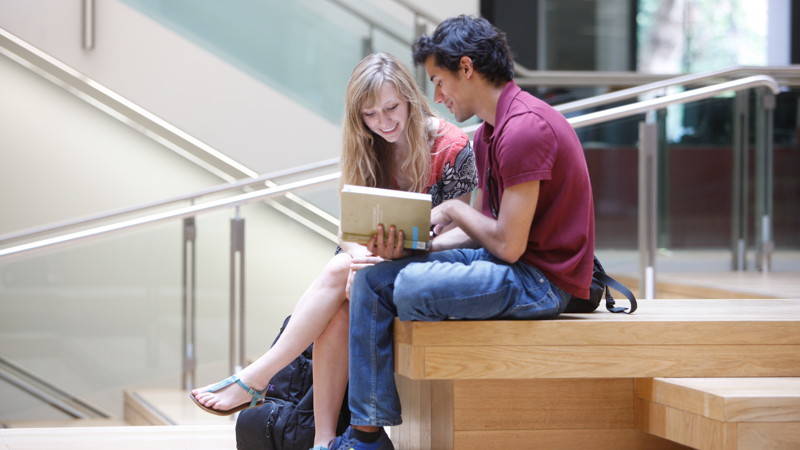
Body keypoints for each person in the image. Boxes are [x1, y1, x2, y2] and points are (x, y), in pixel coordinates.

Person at [328, 16, 595, 450]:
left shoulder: (524, 128)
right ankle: (367, 435)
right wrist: (417, 247)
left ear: (466, 68)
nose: (435, 96)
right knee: (376, 280)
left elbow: (507, 245)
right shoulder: (492, 131)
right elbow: (483, 235)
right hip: (510, 264)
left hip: (543, 282)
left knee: (412, 286)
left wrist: (451, 208)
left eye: (438, 80)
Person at [189, 52, 477, 449]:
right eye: (371, 114)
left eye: (392, 108)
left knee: (343, 272)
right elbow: (347, 228)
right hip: (372, 264)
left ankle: (258, 375)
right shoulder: (366, 144)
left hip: (429, 264)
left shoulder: (452, 146)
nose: (384, 122)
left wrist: (398, 250)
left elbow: (463, 230)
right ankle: (323, 443)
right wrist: (361, 255)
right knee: (343, 296)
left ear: (410, 97)